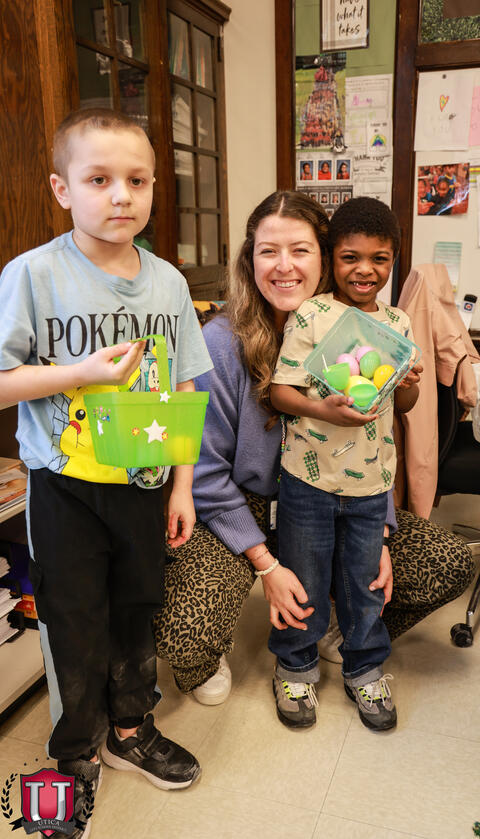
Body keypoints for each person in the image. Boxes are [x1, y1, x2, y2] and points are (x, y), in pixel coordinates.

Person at [153, 191, 474, 708]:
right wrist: (266, 566)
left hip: (347, 491)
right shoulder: (218, 343)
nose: (285, 267)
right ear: (249, 260)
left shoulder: (366, 331)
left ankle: (334, 618)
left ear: (323, 259)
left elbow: (380, 436)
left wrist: (381, 534)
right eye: (268, 252)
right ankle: (232, 643)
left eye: (300, 251)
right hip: (251, 502)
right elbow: (204, 472)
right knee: (188, 632)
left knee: (446, 562)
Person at [0, 108, 212, 837]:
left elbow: (188, 390)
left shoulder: (169, 285)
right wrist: (77, 372)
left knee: (134, 610)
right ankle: (73, 755)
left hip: (146, 485)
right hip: (62, 484)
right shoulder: (32, 274)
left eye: (137, 180)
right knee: (74, 619)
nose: (121, 195)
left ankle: (130, 731)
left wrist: (183, 485)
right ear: (62, 189)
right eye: (100, 179)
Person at [269, 197, 419, 732]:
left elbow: (399, 408)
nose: (365, 270)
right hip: (308, 478)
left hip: (371, 483)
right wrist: (320, 407)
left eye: (379, 259)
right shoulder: (312, 314)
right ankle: (295, 666)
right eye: (351, 257)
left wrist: (408, 387)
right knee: (305, 578)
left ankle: (366, 668)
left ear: (394, 258)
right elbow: (283, 392)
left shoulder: (398, 322)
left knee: (363, 583)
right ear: (332, 258)